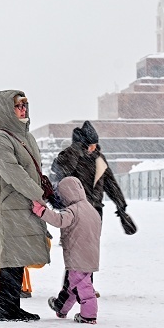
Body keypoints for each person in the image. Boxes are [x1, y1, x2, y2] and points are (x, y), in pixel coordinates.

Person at [0, 90, 49, 323]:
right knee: (12, 257)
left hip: (24, 204)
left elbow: (32, 172)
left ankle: (12, 306)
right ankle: (5, 308)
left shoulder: (26, 136)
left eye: (25, 104)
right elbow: (15, 174)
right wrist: (39, 194)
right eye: (18, 106)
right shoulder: (0, 139)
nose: (23, 109)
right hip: (10, 205)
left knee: (19, 256)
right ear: (5, 110)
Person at [50, 121, 127, 307]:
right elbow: (59, 169)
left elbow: (110, 183)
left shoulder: (100, 159)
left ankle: (81, 288)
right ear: (82, 143)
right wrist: (76, 149)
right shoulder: (72, 155)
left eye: (95, 144)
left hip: (94, 211)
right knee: (76, 253)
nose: (94, 147)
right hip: (75, 211)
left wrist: (121, 205)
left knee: (86, 252)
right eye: (90, 144)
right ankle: (80, 289)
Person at [33, 176, 101, 324]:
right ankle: (61, 309)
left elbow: (60, 220)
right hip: (91, 252)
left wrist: (42, 211)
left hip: (77, 253)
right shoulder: (91, 209)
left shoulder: (73, 210)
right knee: (72, 283)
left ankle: (88, 315)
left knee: (82, 285)